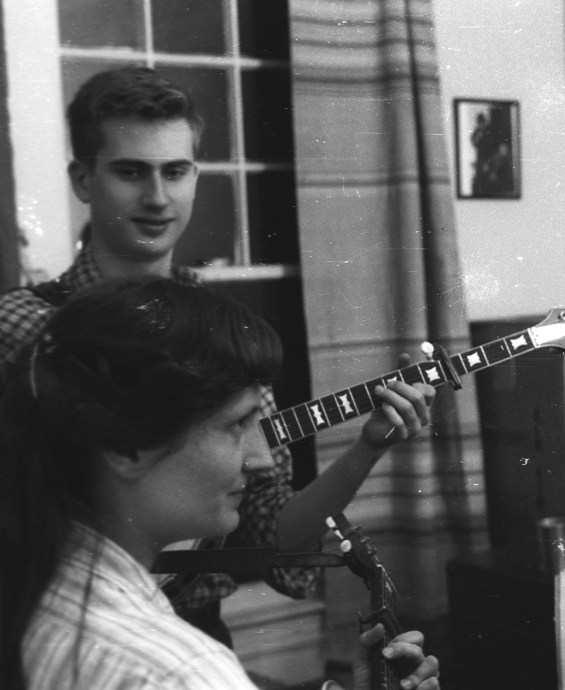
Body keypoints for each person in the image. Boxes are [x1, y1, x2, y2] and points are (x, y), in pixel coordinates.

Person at [0, 66, 434, 646]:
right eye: (131, 172)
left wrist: (366, 448)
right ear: (83, 178)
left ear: (195, 176)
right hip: (52, 634)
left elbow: (270, 536)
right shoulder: (21, 328)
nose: (157, 197)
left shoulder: (226, 342)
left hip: (195, 635)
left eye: (175, 171)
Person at [0, 277, 440, 690]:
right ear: (125, 446)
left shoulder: (36, 599)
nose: (263, 457)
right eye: (238, 423)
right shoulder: (185, 672)